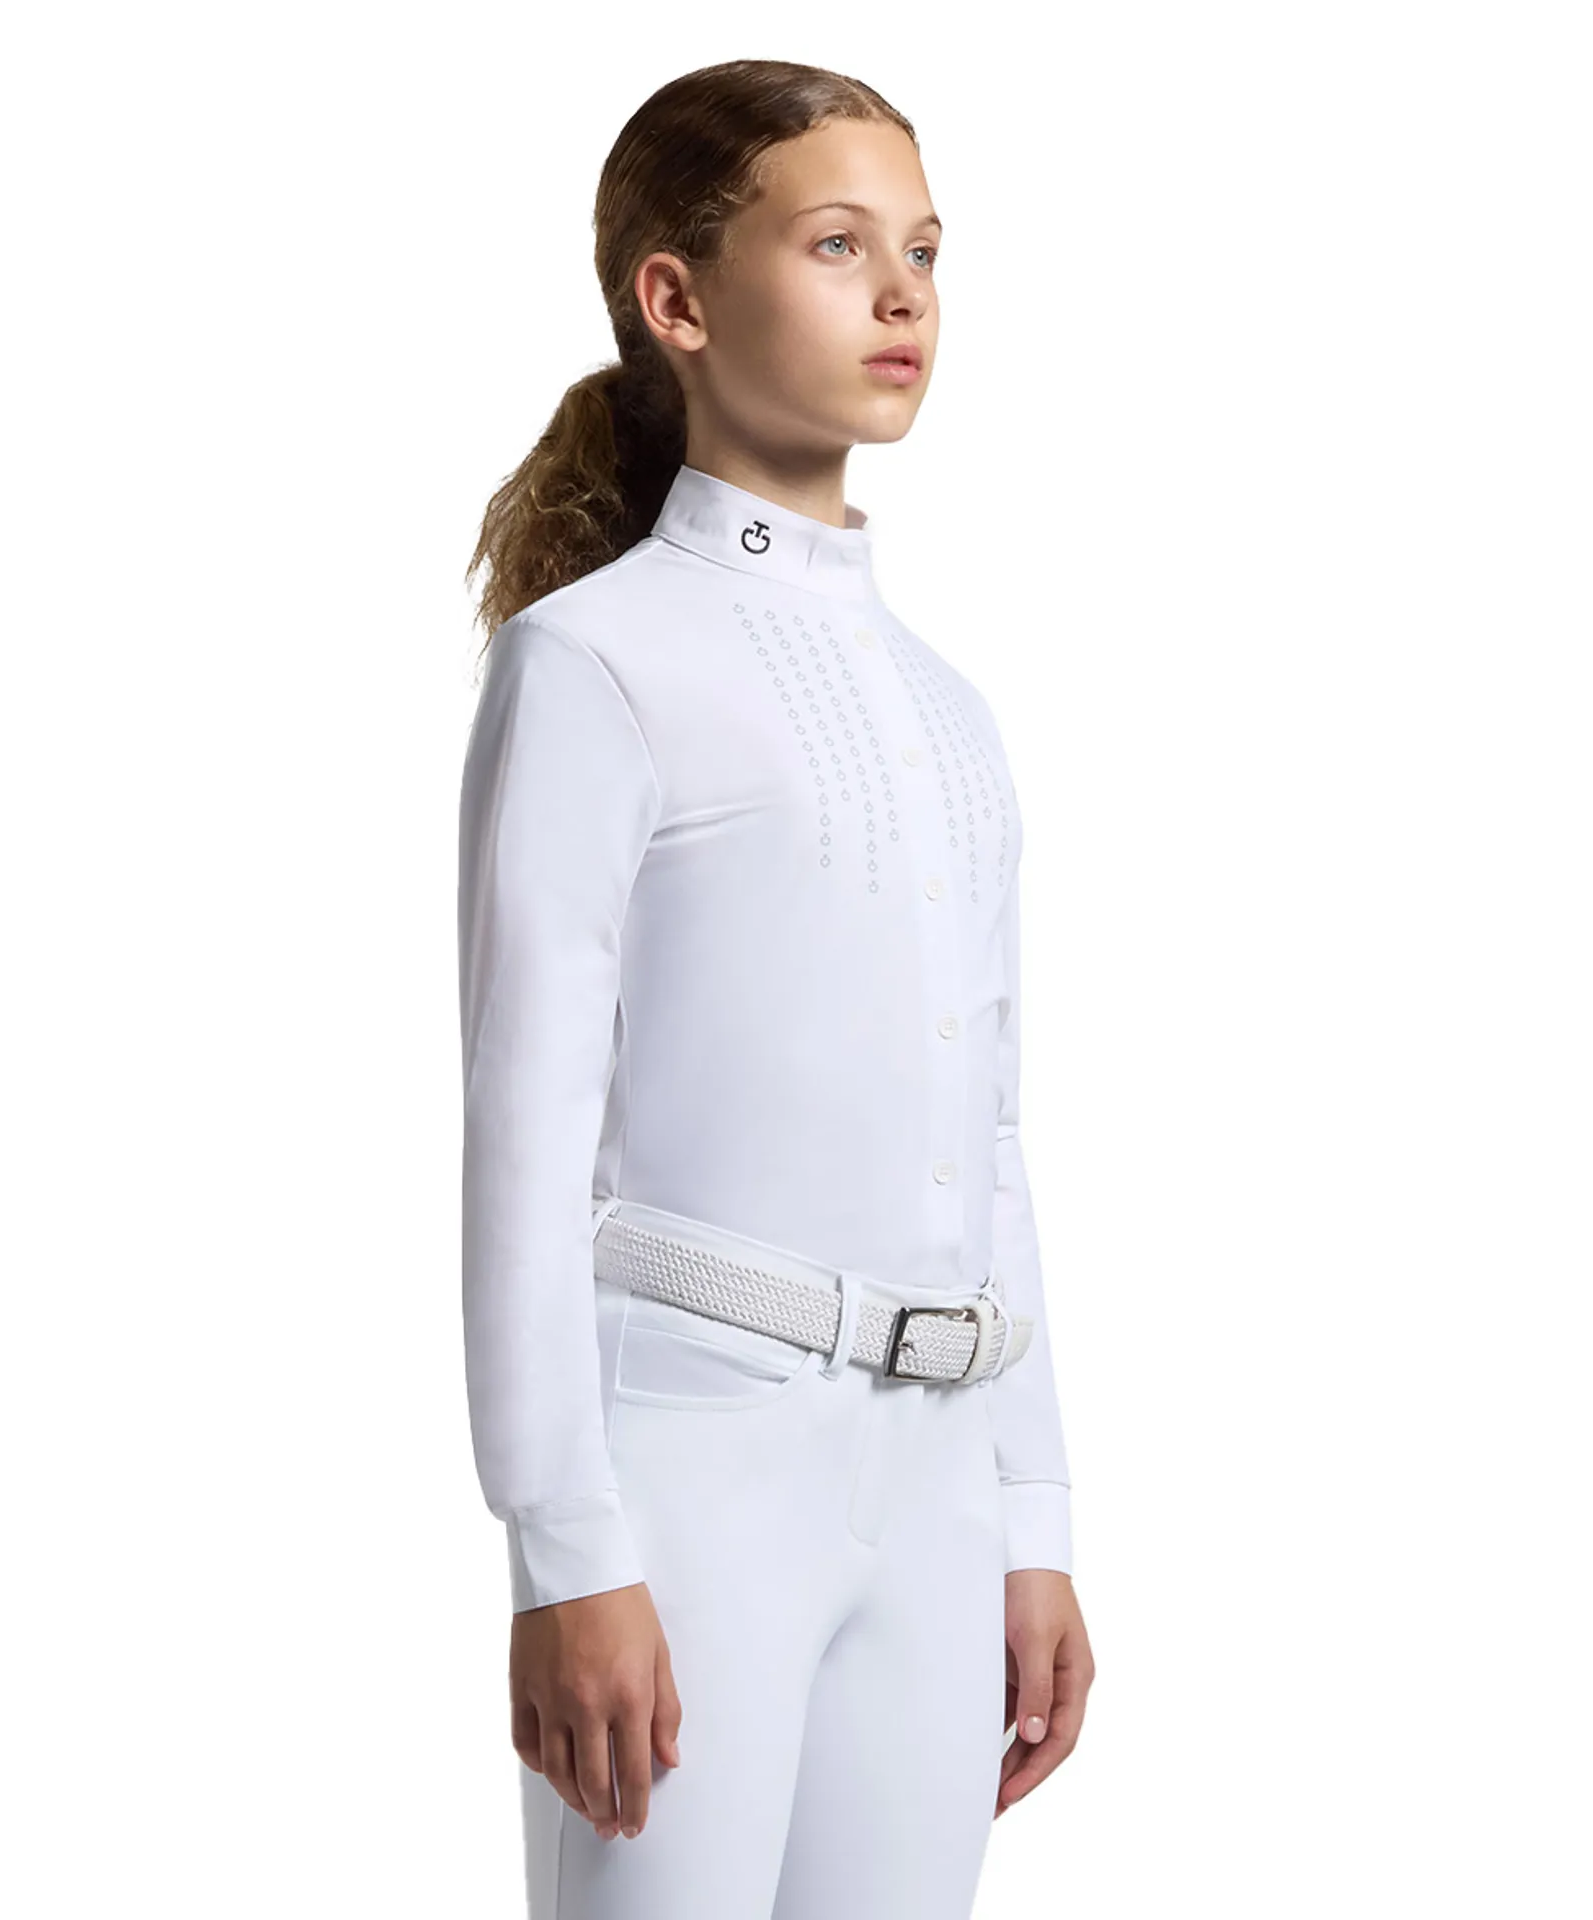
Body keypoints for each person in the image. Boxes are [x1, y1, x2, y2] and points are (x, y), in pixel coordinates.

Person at [457, 58, 1095, 1920]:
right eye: (836, 246)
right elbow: (523, 1139)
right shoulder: (592, 664)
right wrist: (564, 1549)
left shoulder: (952, 712)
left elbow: (991, 1140)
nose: (902, 295)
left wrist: (1034, 1518)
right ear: (675, 298)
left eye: (924, 252)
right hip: (691, 1467)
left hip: (941, 1480)